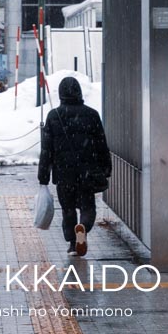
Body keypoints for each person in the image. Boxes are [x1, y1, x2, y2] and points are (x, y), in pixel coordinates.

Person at [37, 76, 110, 257]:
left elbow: (47, 150)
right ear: (79, 92)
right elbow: (102, 144)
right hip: (87, 171)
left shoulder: (54, 116)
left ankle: (72, 243)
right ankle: (83, 228)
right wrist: (105, 167)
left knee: (68, 209)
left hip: (64, 174)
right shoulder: (92, 114)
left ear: (61, 94)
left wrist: (43, 176)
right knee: (88, 207)